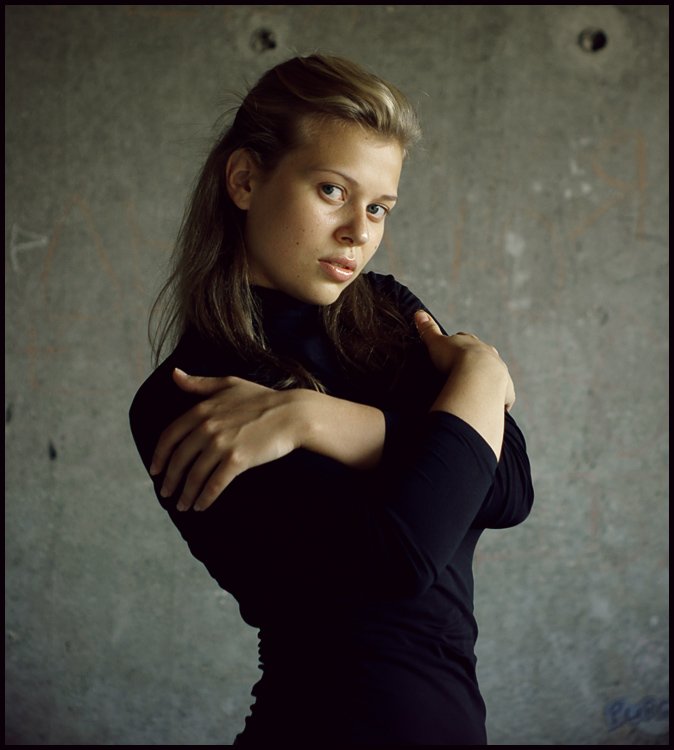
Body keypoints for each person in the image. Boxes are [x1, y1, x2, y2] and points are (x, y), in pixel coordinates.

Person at [129, 54, 534, 745]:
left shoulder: (387, 313)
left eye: (378, 207)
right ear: (245, 179)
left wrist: (311, 417)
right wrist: (480, 376)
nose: (359, 232)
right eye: (331, 191)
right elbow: (402, 558)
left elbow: (512, 487)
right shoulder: (192, 397)